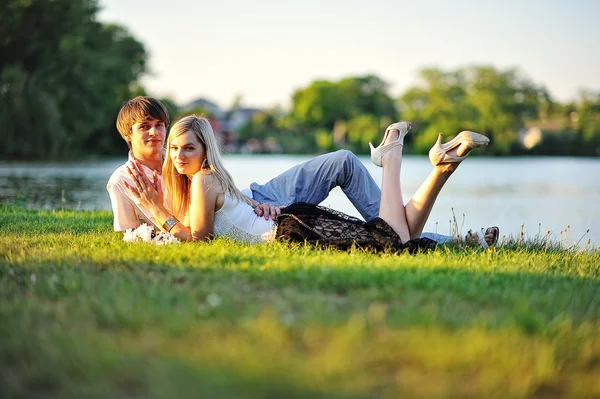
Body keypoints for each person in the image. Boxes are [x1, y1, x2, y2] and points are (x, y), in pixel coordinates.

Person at [107, 96, 498, 247]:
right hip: (258, 218)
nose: (160, 137)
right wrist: (151, 210)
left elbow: (206, 214)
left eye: (161, 125)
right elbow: (128, 233)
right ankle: (450, 228)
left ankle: (394, 158)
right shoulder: (124, 182)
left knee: (345, 162)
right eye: (147, 128)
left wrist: (249, 202)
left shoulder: (194, 166)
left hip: (256, 204)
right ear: (128, 136)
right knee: (389, 238)